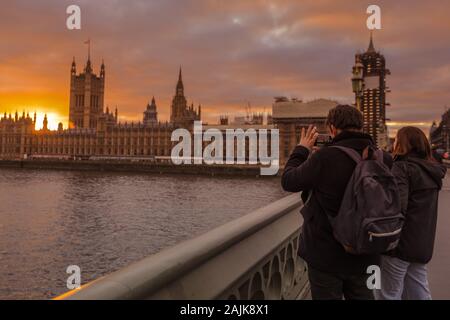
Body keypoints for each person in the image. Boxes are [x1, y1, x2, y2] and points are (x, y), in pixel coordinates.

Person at [281, 105, 393, 300]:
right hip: (369, 253)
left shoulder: (324, 158)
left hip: (326, 256)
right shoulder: (384, 158)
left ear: (332, 128)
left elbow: (289, 181)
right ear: (361, 126)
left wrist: (302, 149)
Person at [375, 127, 447, 300]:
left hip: (399, 246)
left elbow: (397, 207)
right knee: (419, 293)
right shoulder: (432, 171)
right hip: (421, 243)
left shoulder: (402, 168)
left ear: (403, 144)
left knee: (387, 294)